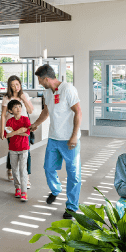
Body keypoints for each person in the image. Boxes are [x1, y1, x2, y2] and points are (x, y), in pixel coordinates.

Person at [29, 65, 82, 219]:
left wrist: (73, 136)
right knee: (48, 168)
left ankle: (71, 207)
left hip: (69, 140)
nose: (39, 83)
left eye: (40, 80)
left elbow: (78, 112)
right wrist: (36, 124)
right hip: (53, 138)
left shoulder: (68, 89)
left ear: (46, 78)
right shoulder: (47, 92)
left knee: (74, 175)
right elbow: (46, 111)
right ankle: (56, 190)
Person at [0, 75, 33, 187]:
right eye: (13, 85)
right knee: (13, 150)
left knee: (26, 152)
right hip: (11, 127)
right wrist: (1, 130)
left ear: (20, 84)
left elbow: (30, 111)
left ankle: (27, 178)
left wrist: (23, 99)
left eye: (17, 84)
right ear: (9, 87)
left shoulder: (25, 95)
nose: (15, 87)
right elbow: (3, 115)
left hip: (24, 126)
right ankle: (10, 169)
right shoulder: (7, 97)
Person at [5, 99, 31, 201]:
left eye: (19, 106)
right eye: (15, 107)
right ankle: (17, 188)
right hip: (13, 149)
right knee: (15, 170)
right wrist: (19, 130)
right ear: (11, 111)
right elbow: (7, 135)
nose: (18, 109)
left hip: (24, 148)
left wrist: (14, 132)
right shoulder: (9, 121)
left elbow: (27, 133)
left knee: (23, 170)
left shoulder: (25, 119)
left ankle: (24, 192)